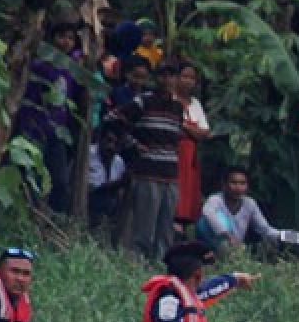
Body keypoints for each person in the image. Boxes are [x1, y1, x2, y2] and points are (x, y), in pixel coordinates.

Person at [118, 62, 184, 260]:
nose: (168, 81)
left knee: (165, 228)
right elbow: (114, 120)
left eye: (172, 76)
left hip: (171, 174)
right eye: (163, 76)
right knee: (144, 228)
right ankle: (136, 264)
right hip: (147, 171)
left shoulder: (178, 107)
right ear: (156, 79)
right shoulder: (143, 101)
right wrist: (132, 144)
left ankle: (160, 265)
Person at [13, 20, 80, 214]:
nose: (66, 42)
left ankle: (53, 219)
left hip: (57, 132)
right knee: (31, 176)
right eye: (62, 36)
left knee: (59, 180)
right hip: (34, 128)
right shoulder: (39, 65)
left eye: (71, 38)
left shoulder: (71, 69)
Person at [195, 166, 285, 252]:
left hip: (238, 248)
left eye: (242, 183)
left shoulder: (250, 203)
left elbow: (266, 230)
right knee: (203, 222)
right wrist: (228, 235)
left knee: (272, 243)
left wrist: (293, 237)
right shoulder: (215, 199)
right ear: (224, 184)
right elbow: (208, 213)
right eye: (233, 183)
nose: (238, 187)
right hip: (215, 246)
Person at [172, 61, 211, 231]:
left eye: (192, 78)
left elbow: (205, 133)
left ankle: (185, 225)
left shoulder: (195, 103)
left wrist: (186, 127)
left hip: (191, 156)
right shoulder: (170, 99)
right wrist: (193, 130)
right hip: (174, 153)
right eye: (184, 76)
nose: (188, 81)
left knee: (189, 191)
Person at [87, 123, 128, 228]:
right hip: (89, 200)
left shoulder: (119, 162)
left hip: (109, 205)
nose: (111, 146)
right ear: (101, 139)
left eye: (115, 143)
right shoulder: (88, 153)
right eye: (109, 140)